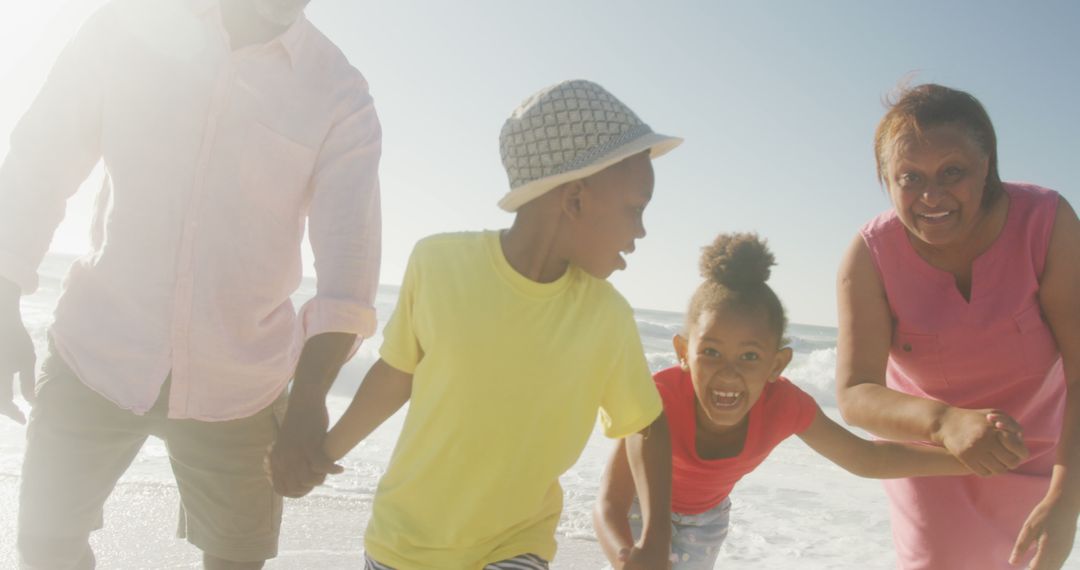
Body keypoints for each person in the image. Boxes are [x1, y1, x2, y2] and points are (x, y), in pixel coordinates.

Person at [0, 0, 382, 567]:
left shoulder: (338, 91)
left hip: (241, 385)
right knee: (45, 540)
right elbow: (39, 163)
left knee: (237, 558)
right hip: (96, 350)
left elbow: (347, 271)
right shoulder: (127, 25)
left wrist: (308, 401)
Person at [313, 79, 679, 569]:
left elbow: (647, 426)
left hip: (515, 544)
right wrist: (323, 452)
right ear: (574, 200)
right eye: (636, 209)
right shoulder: (438, 264)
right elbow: (396, 374)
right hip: (404, 540)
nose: (640, 231)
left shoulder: (606, 316)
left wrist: (655, 539)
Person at [593, 232, 1025, 569]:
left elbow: (865, 459)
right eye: (710, 352)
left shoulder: (785, 407)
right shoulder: (656, 399)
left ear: (777, 365)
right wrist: (626, 557)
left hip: (707, 520)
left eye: (749, 356)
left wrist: (967, 460)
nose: (728, 372)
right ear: (682, 353)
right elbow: (610, 503)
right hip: (640, 510)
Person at [836, 83, 1080, 569]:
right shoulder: (870, 255)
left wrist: (1066, 500)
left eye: (953, 172)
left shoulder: (1047, 223)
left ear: (986, 165)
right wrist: (945, 423)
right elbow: (855, 393)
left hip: (1043, 460)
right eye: (909, 178)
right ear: (885, 179)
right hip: (928, 462)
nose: (932, 196)